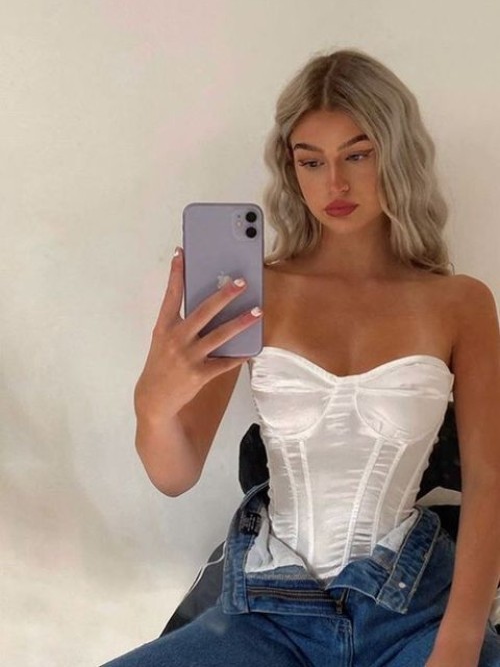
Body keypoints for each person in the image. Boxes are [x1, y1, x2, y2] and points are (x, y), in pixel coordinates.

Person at [102, 48, 500, 666]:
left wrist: (458, 644)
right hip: (269, 613)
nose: (334, 184)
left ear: (397, 153)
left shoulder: (461, 303)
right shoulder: (254, 291)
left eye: (357, 155)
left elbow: (490, 480)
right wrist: (152, 403)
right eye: (311, 161)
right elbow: (174, 476)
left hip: (410, 613)